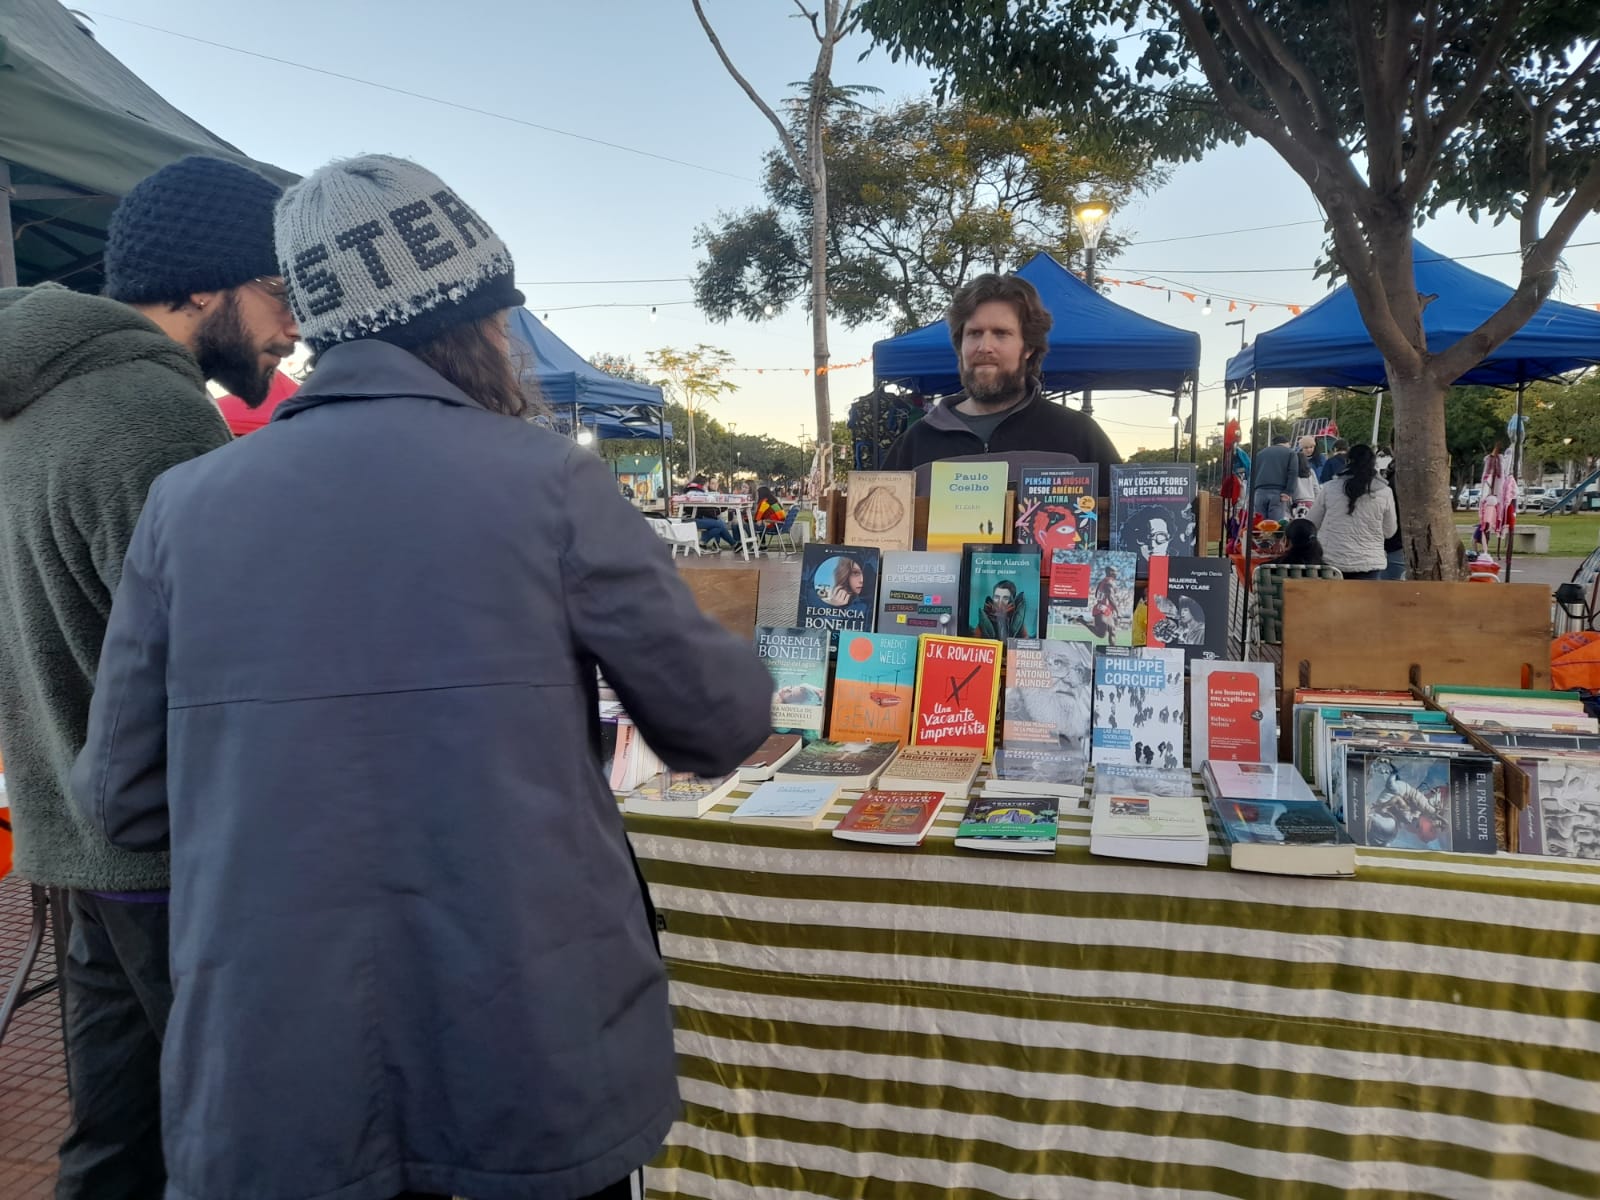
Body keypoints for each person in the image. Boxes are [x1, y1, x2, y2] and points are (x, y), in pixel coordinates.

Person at [70, 154, 775, 1200]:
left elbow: (119, 802)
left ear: (319, 323)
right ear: (478, 318)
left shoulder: (186, 507)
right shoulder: (549, 482)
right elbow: (718, 723)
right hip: (528, 1059)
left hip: (277, 1073)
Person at [0, 154, 294, 1200]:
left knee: (114, 1144)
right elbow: (231, 674)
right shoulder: (156, 419)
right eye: (280, 293)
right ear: (206, 286)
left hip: (78, 850)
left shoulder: (33, 398)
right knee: (262, 1142)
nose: (293, 327)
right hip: (182, 860)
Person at [881, 273, 1122, 472]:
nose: (984, 347)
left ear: (1028, 347)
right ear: (960, 345)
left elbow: (1124, 525)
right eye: (974, 333)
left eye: (1001, 333)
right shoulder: (915, 443)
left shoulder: (1079, 437)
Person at [1307, 443, 1397, 579]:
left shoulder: (1330, 488)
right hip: (1369, 563)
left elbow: (1312, 523)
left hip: (1331, 561)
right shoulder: (1385, 492)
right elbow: (1389, 531)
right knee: (1365, 601)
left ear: (1347, 461)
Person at [1250, 433, 1303, 523]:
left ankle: (1262, 537)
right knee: (1275, 525)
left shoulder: (1260, 454)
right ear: (1287, 443)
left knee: (1260, 524)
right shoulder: (1290, 453)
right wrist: (1288, 492)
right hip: (1278, 492)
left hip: (1259, 492)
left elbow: (1252, 473)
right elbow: (1293, 473)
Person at [683, 473, 739, 550]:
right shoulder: (695, 494)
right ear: (701, 485)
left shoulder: (693, 491)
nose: (706, 488)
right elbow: (706, 507)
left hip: (695, 518)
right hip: (692, 520)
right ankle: (703, 543)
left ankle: (732, 544)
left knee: (719, 524)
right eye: (706, 485)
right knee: (720, 524)